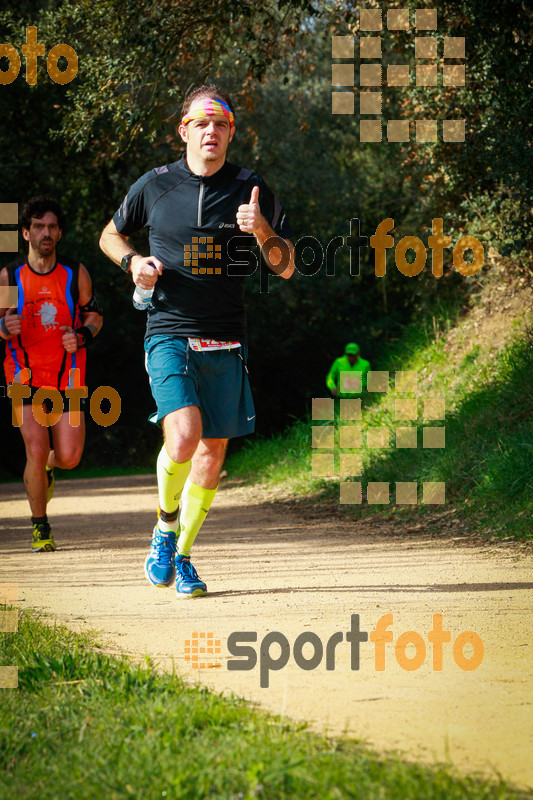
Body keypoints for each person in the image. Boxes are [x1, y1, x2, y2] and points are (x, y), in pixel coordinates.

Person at [99, 84, 294, 598]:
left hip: (226, 339)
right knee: (183, 436)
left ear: (231, 133)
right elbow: (109, 235)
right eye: (202, 123)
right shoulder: (155, 185)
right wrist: (133, 262)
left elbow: (287, 265)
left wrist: (263, 231)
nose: (212, 131)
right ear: (183, 130)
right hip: (168, 331)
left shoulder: (252, 189)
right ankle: (165, 524)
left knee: (212, 453)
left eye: (222, 123)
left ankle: (180, 553)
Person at [0, 196, 103, 551]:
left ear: (59, 233)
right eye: (39, 226)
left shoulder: (75, 273)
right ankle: (40, 527)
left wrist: (83, 334)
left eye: (52, 227)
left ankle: (46, 471)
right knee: (35, 445)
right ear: (26, 233)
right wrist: (3, 325)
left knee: (70, 456)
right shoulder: (10, 276)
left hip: (69, 375)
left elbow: (94, 315)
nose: (46, 233)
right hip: (22, 375)